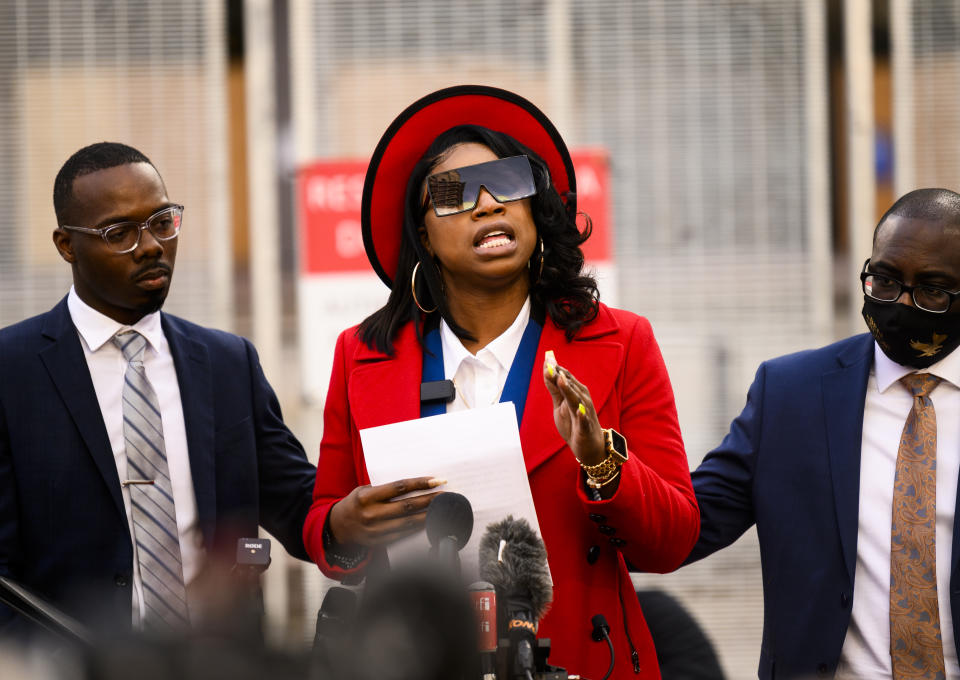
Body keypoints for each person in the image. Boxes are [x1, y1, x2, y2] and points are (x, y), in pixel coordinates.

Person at [302, 85, 699, 680]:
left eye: (510, 182)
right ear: (423, 234)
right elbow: (328, 531)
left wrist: (601, 460)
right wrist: (345, 525)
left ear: (536, 209)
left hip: (582, 658)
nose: (488, 204)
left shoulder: (622, 343)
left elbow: (673, 541)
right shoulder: (360, 356)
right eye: (453, 193)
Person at [0, 142, 317, 635]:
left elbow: (299, 507)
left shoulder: (228, 363)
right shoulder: (10, 371)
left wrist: (352, 517)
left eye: (162, 221)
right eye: (119, 232)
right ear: (66, 246)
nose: (150, 245)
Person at [687, 188, 960, 679]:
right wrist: (601, 463)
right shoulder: (791, 394)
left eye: (933, 290)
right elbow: (683, 524)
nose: (900, 302)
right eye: (884, 280)